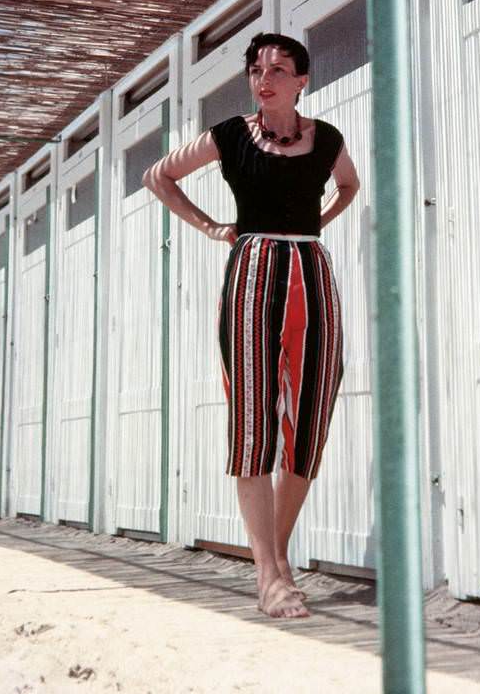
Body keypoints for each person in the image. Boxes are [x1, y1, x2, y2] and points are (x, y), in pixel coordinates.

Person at [144, 32, 360, 619]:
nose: (264, 78)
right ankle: (268, 574)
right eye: (256, 69)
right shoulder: (230, 135)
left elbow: (349, 184)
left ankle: (277, 554)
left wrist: (321, 219)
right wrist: (213, 226)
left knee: (310, 419)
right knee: (253, 421)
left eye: (278, 69)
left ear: (301, 81)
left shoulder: (328, 138)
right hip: (253, 272)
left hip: (312, 270)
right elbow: (157, 176)